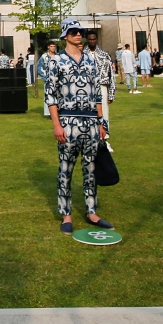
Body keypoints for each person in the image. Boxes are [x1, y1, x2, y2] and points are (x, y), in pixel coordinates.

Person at [46, 18, 112, 235]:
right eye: (74, 32)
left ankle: (92, 212)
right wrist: (56, 125)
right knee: (66, 169)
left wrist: (102, 122)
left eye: (80, 32)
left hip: (91, 123)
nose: (79, 35)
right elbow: (51, 96)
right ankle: (66, 214)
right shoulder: (56, 62)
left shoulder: (90, 61)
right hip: (68, 122)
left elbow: (96, 94)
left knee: (91, 169)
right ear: (65, 36)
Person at [37, 41, 59, 116]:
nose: (53, 48)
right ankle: (50, 114)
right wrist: (45, 78)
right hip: (48, 80)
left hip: (58, 80)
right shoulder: (44, 57)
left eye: (54, 46)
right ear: (48, 47)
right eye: (51, 46)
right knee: (49, 96)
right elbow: (39, 67)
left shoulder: (58, 56)